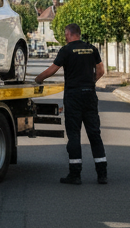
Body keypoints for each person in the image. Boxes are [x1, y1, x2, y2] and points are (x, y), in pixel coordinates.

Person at [34, 23, 107, 184]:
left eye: (66, 34)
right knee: (94, 134)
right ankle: (102, 174)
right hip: (89, 95)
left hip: (73, 96)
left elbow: (53, 69)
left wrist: (38, 79)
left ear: (69, 34)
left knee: (74, 135)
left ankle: (75, 175)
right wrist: (89, 83)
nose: (65, 37)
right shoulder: (91, 49)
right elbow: (101, 71)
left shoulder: (66, 50)